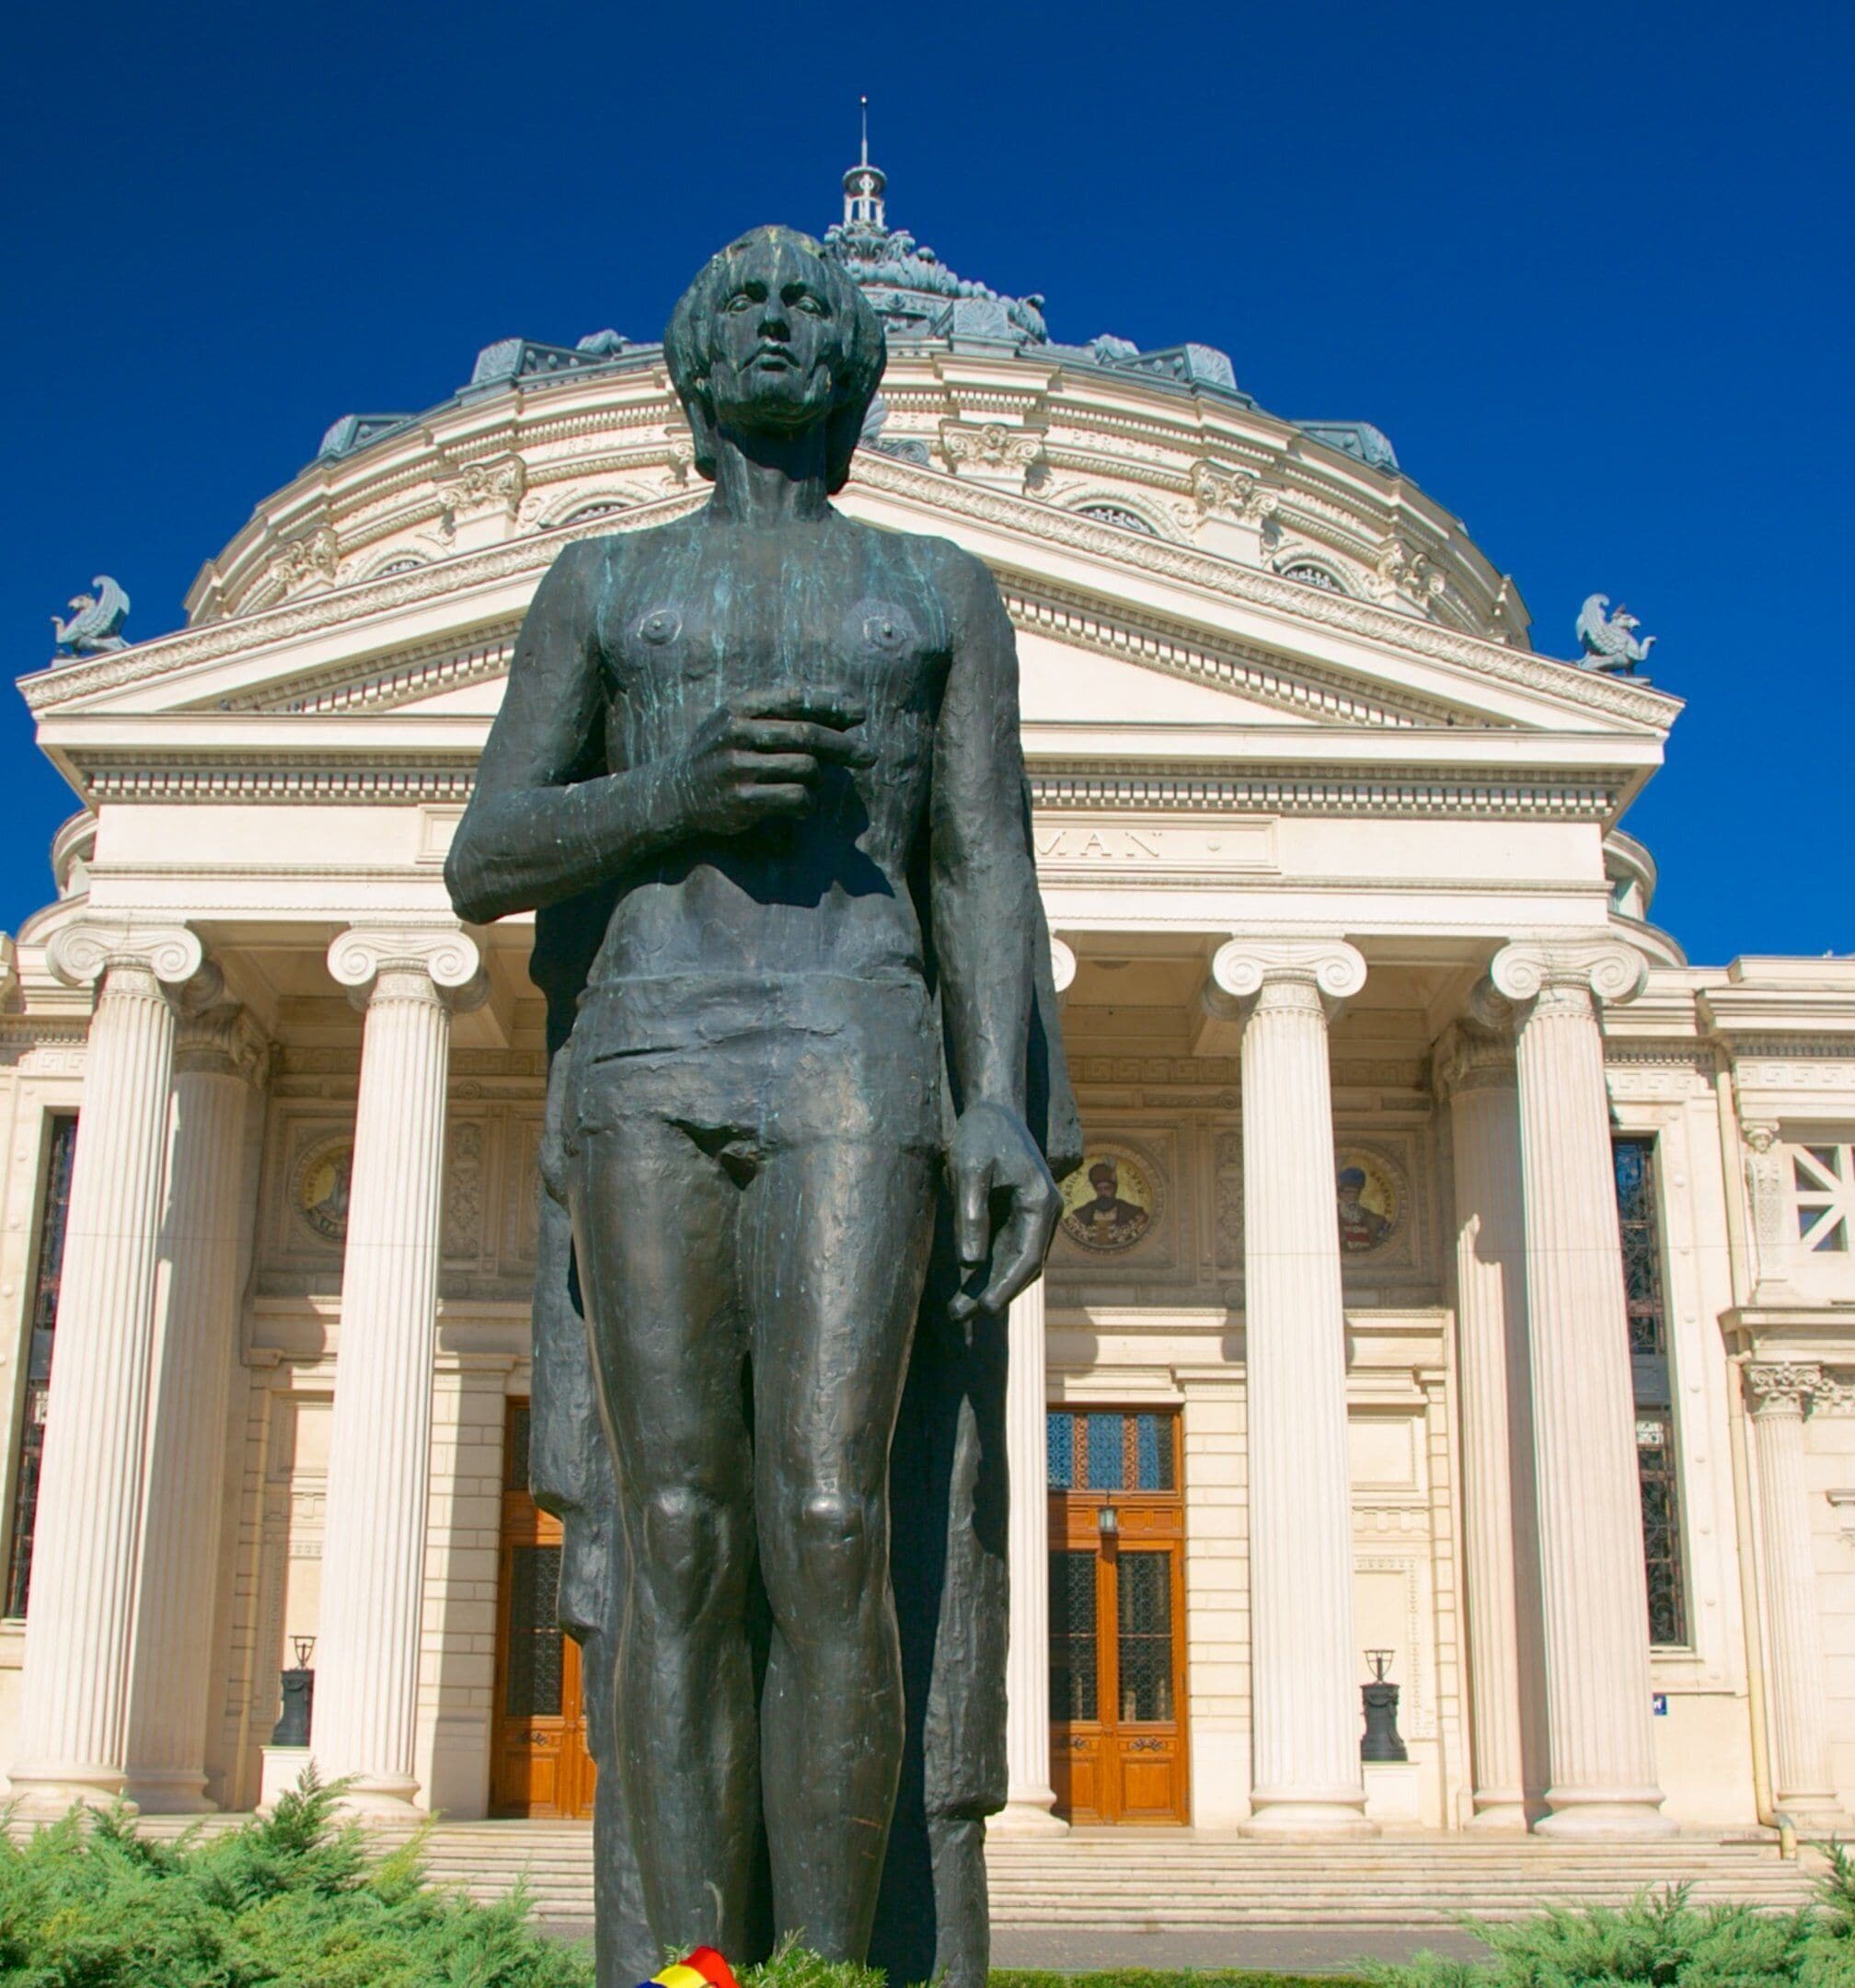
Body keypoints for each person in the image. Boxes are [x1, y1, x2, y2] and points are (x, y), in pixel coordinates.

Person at [447, 225, 1068, 1976]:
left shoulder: (938, 590)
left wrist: (1002, 1105)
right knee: (677, 1531)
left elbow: (986, 862)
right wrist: (677, 792)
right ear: (697, 369)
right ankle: (694, 1973)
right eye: (746, 307)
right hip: (647, 1057)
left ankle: (824, 1968)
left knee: (832, 1516)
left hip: (860, 1049)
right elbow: (486, 856)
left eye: (812, 306)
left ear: (854, 366)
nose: (780, 324)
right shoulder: (605, 584)